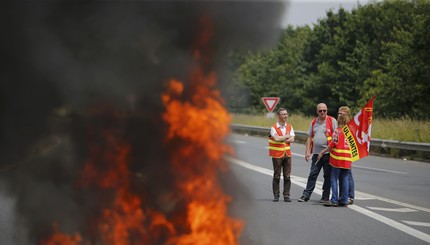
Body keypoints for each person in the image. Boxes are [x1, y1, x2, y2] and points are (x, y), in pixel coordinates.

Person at [298, 103, 337, 203]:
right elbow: (309, 137)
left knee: (327, 176)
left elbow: (336, 138)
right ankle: (306, 195)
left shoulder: (332, 121)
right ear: (317, 111)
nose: (323, 112)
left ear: (327, 111)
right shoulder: (314, 121)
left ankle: (325, 196)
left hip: (328, 154)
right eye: (320, 110)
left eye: (324, 110)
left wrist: (327, 150)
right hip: (316, 153)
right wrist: (307, 152)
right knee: (313, 174)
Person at [318, 112, 352, 207]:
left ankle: (334, 199)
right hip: (347, 158)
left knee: (334, 179)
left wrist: (322, 152)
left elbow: (332, 145)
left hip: (337, 158)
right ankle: (344, 200)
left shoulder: (337, 131)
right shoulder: (351, 131)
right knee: (344, 178)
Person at [268, 108, 295, 202]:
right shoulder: (274, 127)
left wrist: (282, 138)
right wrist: (287, 136)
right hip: (277, 154)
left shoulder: (289, 126)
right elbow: (276, 138)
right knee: (277, 175)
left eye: (286, 114)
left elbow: (292, 139)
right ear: (278, 116)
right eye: (283, 114)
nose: (285, 116)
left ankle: (286, 195)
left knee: (287, 176)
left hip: (287, 154)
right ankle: (276, 195)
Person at [338, 106, 355, 205]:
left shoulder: (349, 127)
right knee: (341, 176)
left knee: (348, 175)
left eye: (342, 114)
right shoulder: (339, 124)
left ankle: (350, 196)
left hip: (347, 154)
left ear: (347, 115)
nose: (340, 115)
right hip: (339, 154)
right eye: (339, 113)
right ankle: (342, 195)